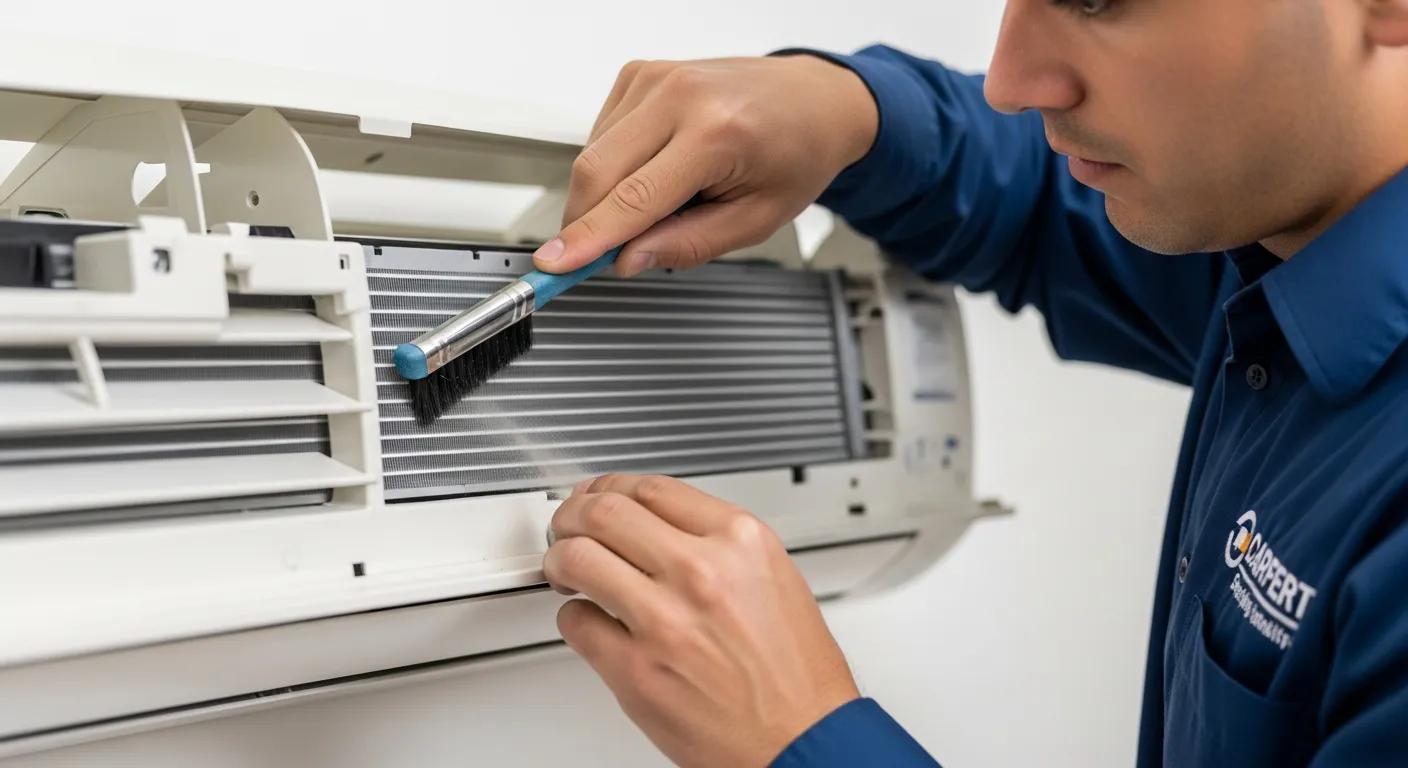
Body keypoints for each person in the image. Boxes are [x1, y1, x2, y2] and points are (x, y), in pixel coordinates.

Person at [532, 1, 1408, 765]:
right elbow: (1037, 200)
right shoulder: (1279, 224)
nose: (1011, 79)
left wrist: (801, 741)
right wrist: (851, 111)